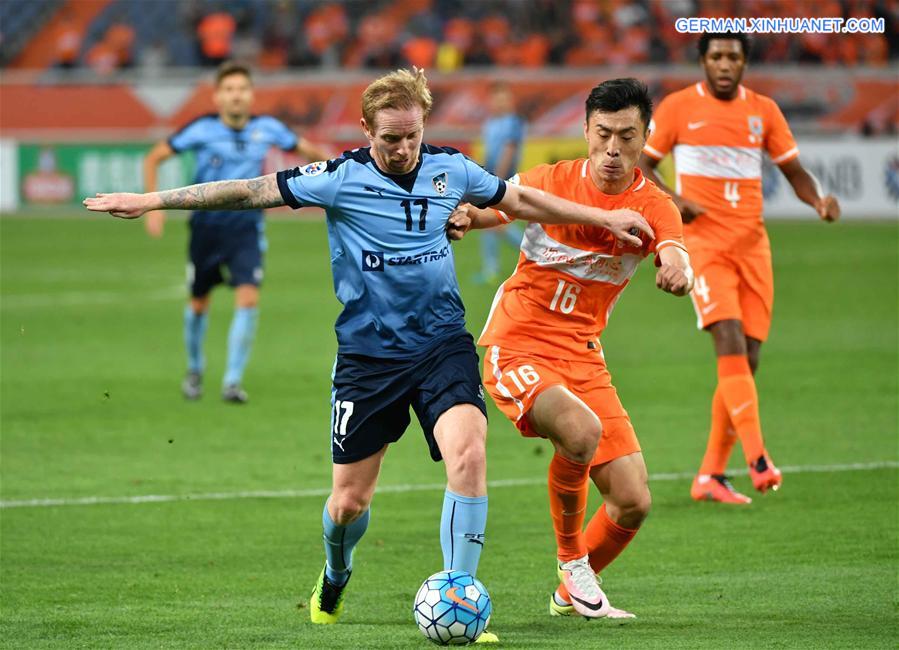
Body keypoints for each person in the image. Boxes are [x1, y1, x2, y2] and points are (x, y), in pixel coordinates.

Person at [84, 67, 653, 643]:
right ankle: (335, 571)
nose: (403, 149)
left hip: (441, 346)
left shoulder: (450, 168)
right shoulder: (338, 177)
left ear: (423, 125)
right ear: (365, 130)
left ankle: (459, 593)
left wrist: (604, 217)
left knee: (470, 454)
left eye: (412, 136)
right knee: (349, 504)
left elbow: (524, 199)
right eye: (389, 139)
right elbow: (248, 191)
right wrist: (151, 198)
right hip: (368, 357)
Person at [459, 78, 692, 619]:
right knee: (581, 431)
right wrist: (467, 216)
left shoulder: (655, 206)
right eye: (603, 133)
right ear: (586, 130)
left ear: (644, 138)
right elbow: (495, 209)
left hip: (583, 356)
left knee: (633, 501)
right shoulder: (548, 182)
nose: (613, 149)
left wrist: (677, 271)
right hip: (516, 345)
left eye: (626, 137)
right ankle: (573, 564)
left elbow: (675, 251)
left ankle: (568, 594)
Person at [638, 33, 840, 504]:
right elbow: (643, 167)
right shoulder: (678, 108)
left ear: (745, 63)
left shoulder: (764, 111)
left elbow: (794, 171)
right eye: (716, 57)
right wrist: (673, 199)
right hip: (704, 246)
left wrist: (819, 201)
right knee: (726, 339)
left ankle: (709, 475)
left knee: (746, 360)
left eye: (733, 57)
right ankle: (757, 457)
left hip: (753, 246)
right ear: (703, 62)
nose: (725, 64)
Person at [143, 61, 330, 404]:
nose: (236, 96)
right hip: (206, 227)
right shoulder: (201, 129)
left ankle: (231, 381)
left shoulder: (268, 128)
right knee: (199, 302)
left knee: (249, 297)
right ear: (217, 97)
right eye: (229, 90)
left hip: (247, 227)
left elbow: (312, 153)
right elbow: (155, 156)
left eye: (242, 89)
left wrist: (336, 179)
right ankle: (195, 370)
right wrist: (153, 210)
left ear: (251, 95)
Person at [474, 82, 526, 284]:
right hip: (491, 178)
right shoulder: (490, 123)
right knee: (489, 222)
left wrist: (499, 180)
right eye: (496, 98)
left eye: (503, 98)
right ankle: (490, 269)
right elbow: (488, 153)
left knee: (497, 224)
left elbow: (509, 151)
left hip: (505, 180)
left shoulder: (513, 122)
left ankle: (533, 251)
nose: (499, 102)